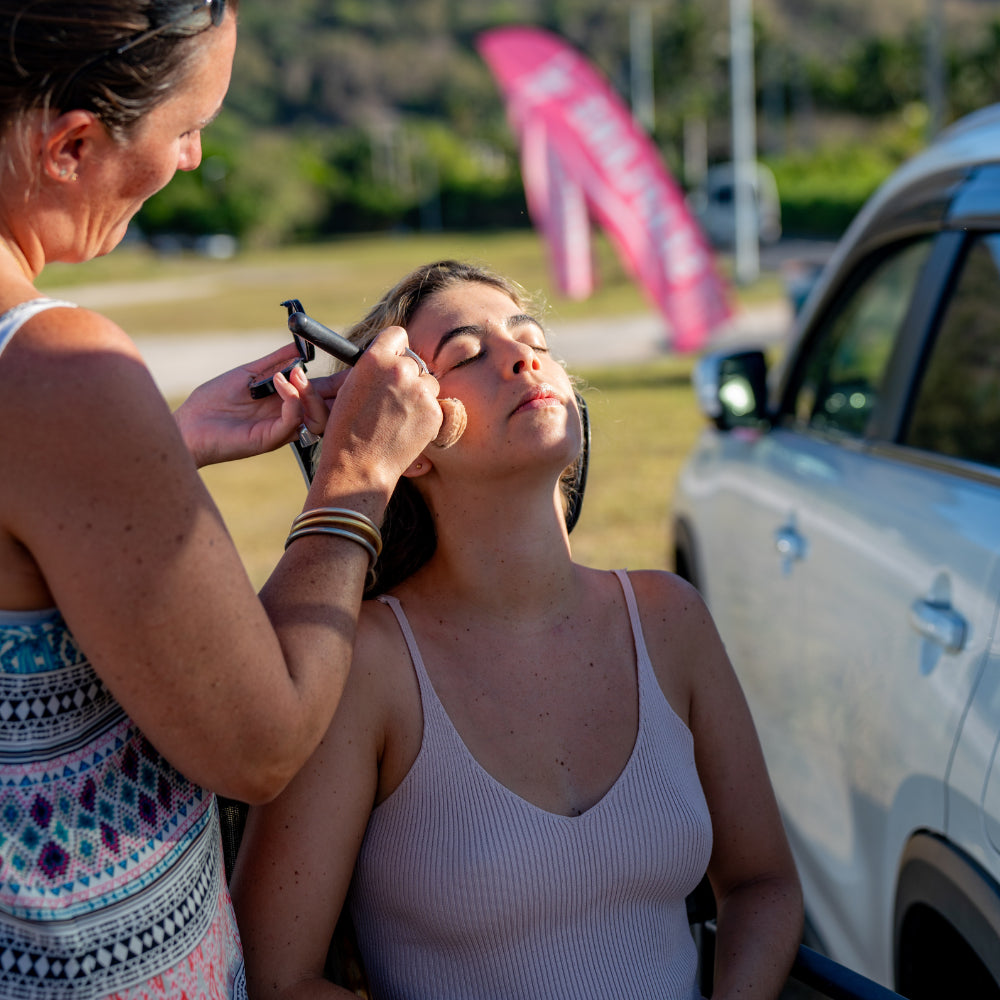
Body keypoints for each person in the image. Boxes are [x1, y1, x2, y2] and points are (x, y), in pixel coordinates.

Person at [0, 2, 444, 997]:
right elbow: (261, 739)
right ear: (72, 143)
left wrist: (159, 452)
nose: (193, 160)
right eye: (187, 127)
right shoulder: (54, 370)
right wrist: (359, 475)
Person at [232, 260, 805, 1000]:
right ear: (407, 437)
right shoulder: (366, 665)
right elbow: (279, 978)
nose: (524, 357)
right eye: (466, 355)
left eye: (532, 337)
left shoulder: (670, 620)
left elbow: (763, 886)